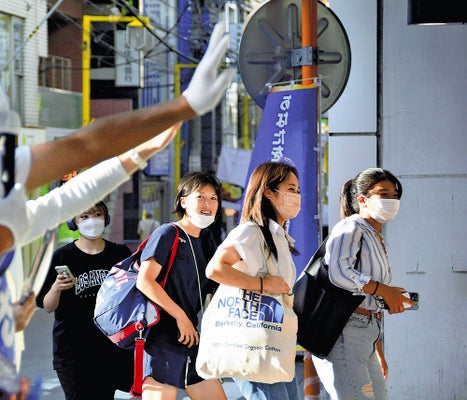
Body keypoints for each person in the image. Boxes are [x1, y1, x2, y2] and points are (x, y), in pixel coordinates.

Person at [0, 20, 235, 256]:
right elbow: (84, 147)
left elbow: (67, 196)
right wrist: (184, 107)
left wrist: (141, 152)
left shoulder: (14, 214)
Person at [311, 168, 415, 400]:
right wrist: (383, 290)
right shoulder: (352, 227)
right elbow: (339, 273)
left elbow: (367, 294)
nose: (392, 200)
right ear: (362, 199)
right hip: (346, 331)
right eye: (384, 194)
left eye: (395, 195)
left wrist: (377, 348)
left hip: (366, 332)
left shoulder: (375, 236)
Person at [205, 161, 302, 400]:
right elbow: (215, 268)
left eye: (298, 190)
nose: (297, 196)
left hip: (273, 343)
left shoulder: (279, 236)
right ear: (268, 191)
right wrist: (265, 285)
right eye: (291, 189)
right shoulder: (251, 232)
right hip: (252, 343)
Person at [136, 172, 225, 400]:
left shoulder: (207, 240)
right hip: (161, 341)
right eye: (200, 197)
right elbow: (145, 281)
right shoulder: (168, 233)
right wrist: (180, 317)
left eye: (213, 198)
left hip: (192, 340)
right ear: (183, 201)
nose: (208, 204)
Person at [35, 201, 134, 399]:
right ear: (74, 222)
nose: (92, 221)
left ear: (105, 219)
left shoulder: (120, 254)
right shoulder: (62, 256)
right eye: (84, 216)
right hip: (73, 352)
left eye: (97, 215)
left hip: (112, 349)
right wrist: (56, 288)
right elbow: (47, 305)